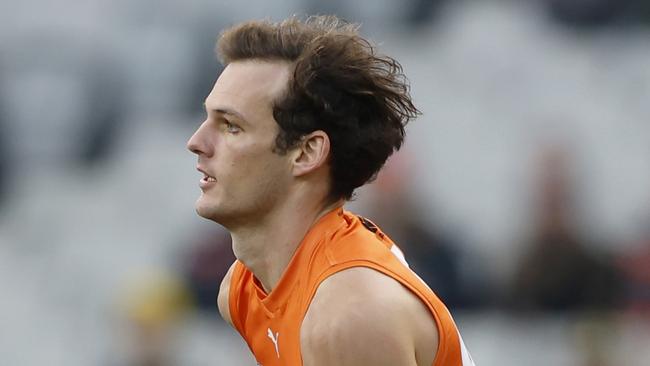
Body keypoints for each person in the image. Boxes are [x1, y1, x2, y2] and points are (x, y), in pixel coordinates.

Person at [186, 15, 474, 366]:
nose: (196, 142)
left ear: (307, 153)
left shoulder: (349, 316)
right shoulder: (243, 289)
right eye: (207, 119)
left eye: (231, 126)